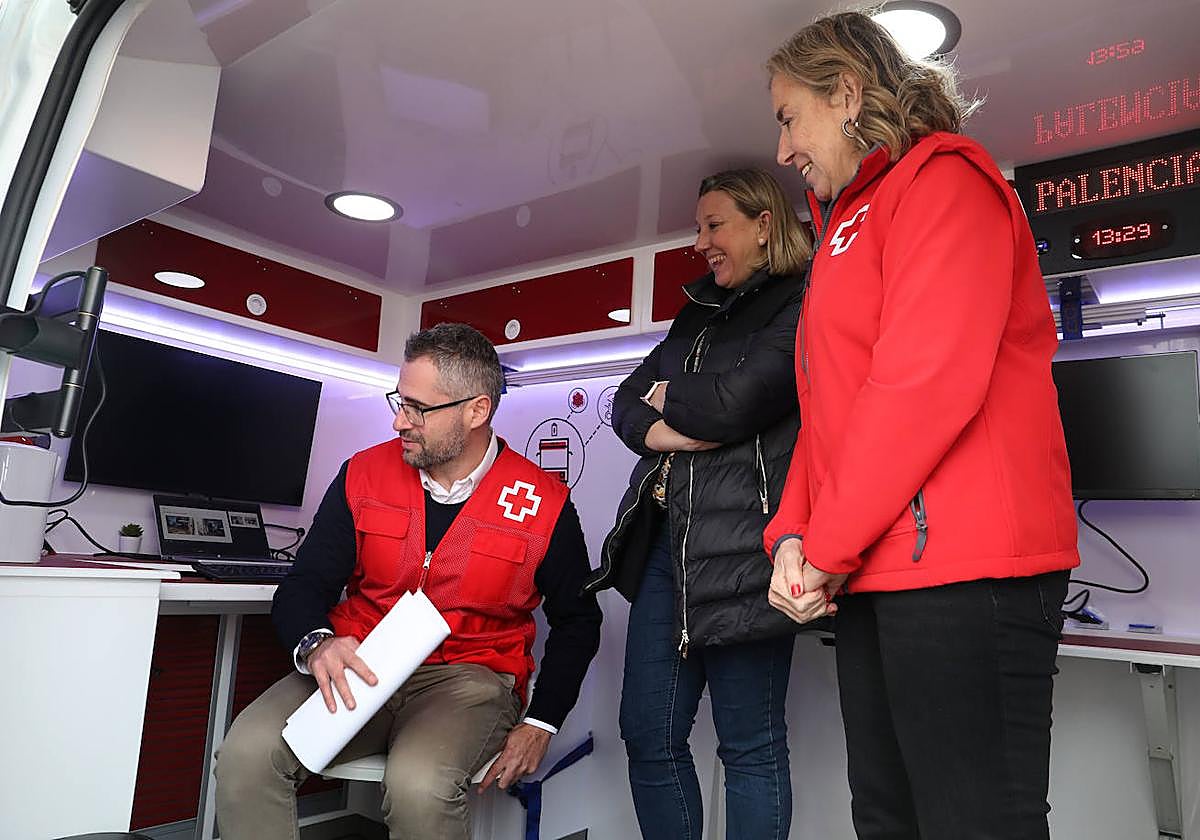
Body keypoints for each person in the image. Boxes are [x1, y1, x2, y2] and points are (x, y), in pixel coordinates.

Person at [761, 12, 1079, 840]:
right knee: (888, 820)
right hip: (874, 569)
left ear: (847, 93)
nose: (783, 149)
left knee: (975, 823)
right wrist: (793, 535)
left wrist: (826, 545)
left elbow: (920, 386)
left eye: (789, 117)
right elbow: (831, 406)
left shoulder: (946, 179)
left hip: (965, 571)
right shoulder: (840, 226)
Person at [215, 323, 602, 840]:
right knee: (245, 755)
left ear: (476, 411)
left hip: (469, 680)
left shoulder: (544, 503)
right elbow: (304, 583)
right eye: (398, 401)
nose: (401, 421)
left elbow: (578, 621)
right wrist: (317, 643)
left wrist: (542, 722)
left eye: (417, 408)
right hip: (362, 666)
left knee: (419, 785)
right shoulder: (362, 474)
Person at [584, 168, 811, 840]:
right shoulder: (696, 311)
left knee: (750, 745)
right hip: (661, 544)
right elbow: (622, 403)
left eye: (714, 225)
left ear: (763, 224)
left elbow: (743, 402)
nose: (700, 241)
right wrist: (679, 425)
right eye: (698, 227)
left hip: (746, 549)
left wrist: (675, 399)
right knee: (647, 734)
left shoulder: (802, 297)